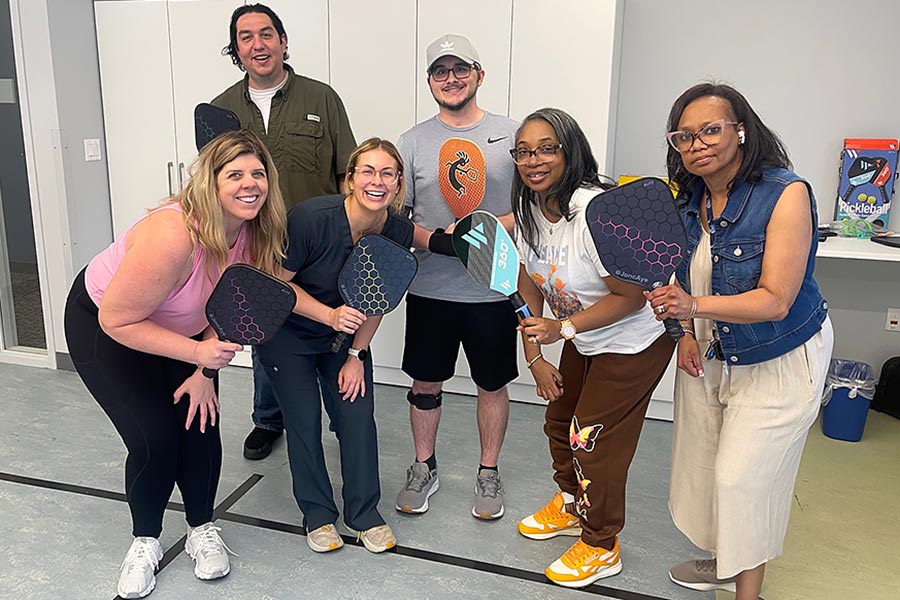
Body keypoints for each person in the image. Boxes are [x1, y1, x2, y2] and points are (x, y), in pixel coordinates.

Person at [63, 130, 287, 598]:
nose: (250, 184)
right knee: (156, 438)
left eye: (258, 173)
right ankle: (145, 541)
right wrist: (198, 355)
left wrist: (205, 373)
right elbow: (118, 321)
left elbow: (233, 304)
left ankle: (201, 529)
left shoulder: (256, 231)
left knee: (200, 426)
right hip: (110, 327)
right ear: (210, 181)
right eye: (235, 174)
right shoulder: (174, 235)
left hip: (184, 330)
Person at [646, 83, 833, 600]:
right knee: (706, 469)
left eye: (711, 130)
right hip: (712, 349)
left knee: (742, 479)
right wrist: (684, 332)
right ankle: (726, 562)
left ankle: (747, 593)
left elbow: (775, 300)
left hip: (779, 352)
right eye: (685, 136)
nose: (697, 144)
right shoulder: (689, 201)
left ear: (742, 131)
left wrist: (692, 309)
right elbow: (680, 276)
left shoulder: (785, 193)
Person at [510, 108, 675, 588]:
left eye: (547, 149)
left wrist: (561, 330)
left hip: (633, 340)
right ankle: (570, 503)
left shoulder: (595, 213)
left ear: (571, 151)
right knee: (559, 421)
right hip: (582, 334)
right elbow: (527, 280)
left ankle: (602, 544)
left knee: (591, 441)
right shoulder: (531, 206)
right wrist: (535, 358)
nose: (533, 160)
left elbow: (630, 297)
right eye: (523, 151)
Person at [213, 3, 357, 461]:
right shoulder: (222, 108)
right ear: (236, 49)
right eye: (246, 37)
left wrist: (349, 236)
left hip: (320, 246)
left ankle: (343, 417)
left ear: (283, 41)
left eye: (266, 34)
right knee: (266, 330)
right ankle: (268, 418)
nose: (258, 44)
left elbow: (346, 173)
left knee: (333, 324)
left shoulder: (321, 98)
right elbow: (213, 182)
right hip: (255, 245)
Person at [255, 138, 413, 554]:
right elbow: (275, 283)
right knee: (303, 421)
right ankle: (318, 514)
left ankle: (364, 514)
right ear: (351, 179)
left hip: (343, 339)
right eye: (368, 171)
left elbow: (378, 297)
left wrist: (357, 355)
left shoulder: (396, 229)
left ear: (398, 183)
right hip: (288, 335)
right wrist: (328, 316)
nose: (377, 181)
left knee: (356, 416)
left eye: (387, 173)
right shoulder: (310, 219)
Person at [394, 34, 520, 521]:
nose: (451, 79)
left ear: (479, 74)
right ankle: (424, 466)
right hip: (430, 289)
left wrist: (480, 232)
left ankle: (488, 471)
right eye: (440, 71)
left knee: (492, 384)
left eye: (460, 69)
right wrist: (436, 241)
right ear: (430, 81)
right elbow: (397, 217)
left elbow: (533, 207)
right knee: (425, 383)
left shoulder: (512, 135)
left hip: (492, 289)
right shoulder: (411, 142)